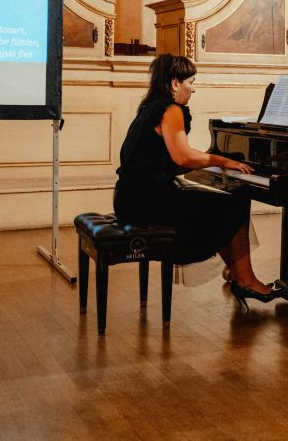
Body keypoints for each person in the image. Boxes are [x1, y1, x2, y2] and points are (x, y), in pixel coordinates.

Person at [114, 54, 278, 308]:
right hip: (149, 201)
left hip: (130, 198)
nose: (193, 88)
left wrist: (212, 163)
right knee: (235, 202)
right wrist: (221, 161)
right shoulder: (170, 109)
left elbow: (169, 162)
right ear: (175, 83)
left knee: (224, 204)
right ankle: (245, 279)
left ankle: (237, 273)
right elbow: (183, 156)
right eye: (191, 82)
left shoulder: (149, 108)